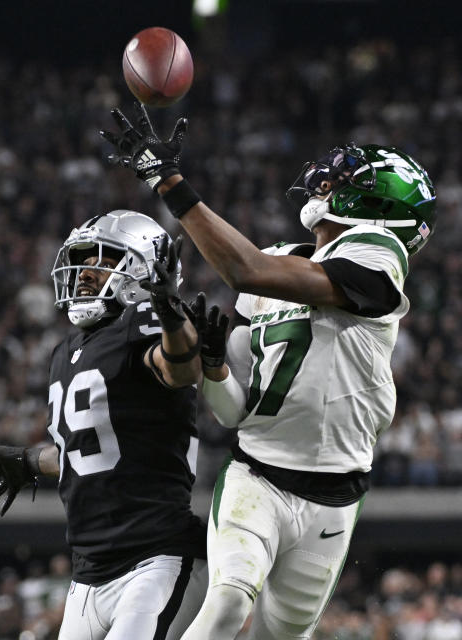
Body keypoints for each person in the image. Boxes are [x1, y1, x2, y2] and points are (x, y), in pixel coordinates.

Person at [100, 104, 437, 639]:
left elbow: (245, 269)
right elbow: (235, 412)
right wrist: (213, 365)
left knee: (281, 636)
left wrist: (169, 183)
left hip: (333, 495)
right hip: (257, 474)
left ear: (378, 206)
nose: (328, 181)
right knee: (229, 601)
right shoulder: (279, 263)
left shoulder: (377, 256)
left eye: (348, 179)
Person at [0, 211, 207, 640]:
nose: (83, 274)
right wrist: (30, 461)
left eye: (100, 260)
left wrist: (170, 310)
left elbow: (182, 370)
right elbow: (89, 448)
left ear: (141, 268)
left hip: (155, 557)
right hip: (88, 570)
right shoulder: (66, 349)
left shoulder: (147, 322)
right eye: (81, 259)